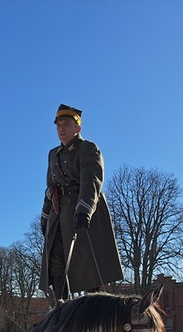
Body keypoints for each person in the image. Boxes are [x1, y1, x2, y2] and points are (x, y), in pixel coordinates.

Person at [40, 104, 123, 302]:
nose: (61, 129)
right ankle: (61, 311)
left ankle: (94, 313)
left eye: (66, 124)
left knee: (88, 267)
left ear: (78, 128)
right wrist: (45, 216)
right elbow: (50, 188)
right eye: (58, 125)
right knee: (56, 263)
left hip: (83, 213)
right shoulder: (53, 154)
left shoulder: (88, 148)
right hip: (58, 213)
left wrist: (84, 211)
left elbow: (91, 182)